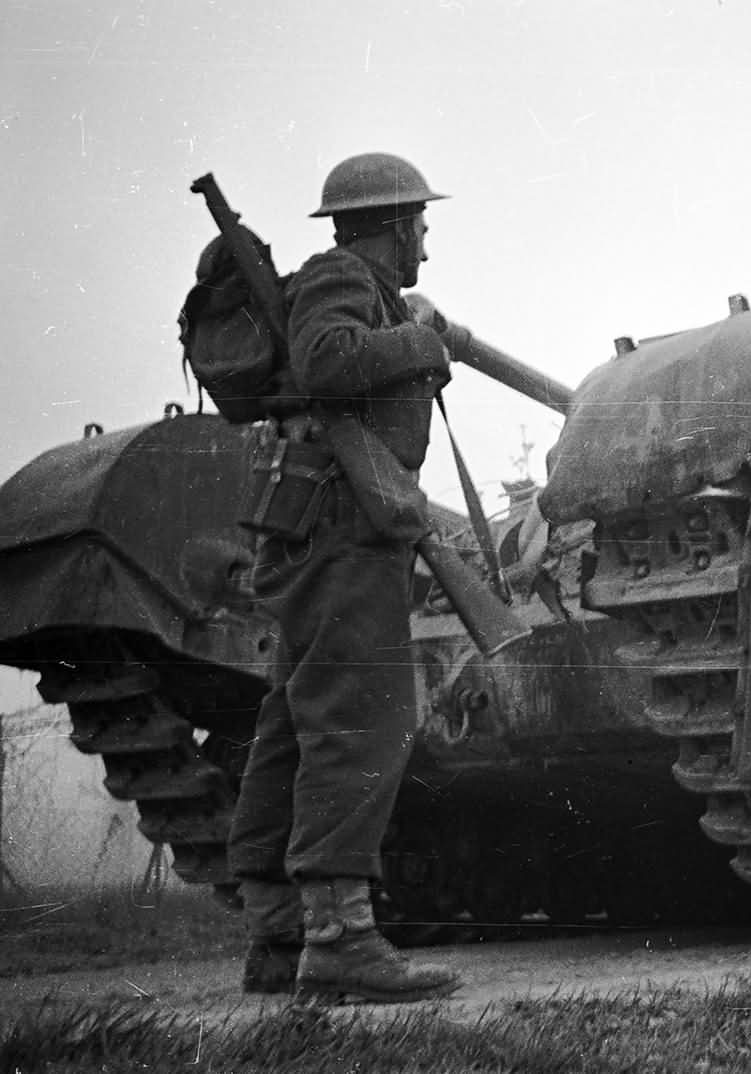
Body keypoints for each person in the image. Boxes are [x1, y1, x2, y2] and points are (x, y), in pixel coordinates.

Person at [225, 152, 461, 1004]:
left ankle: (279, 935)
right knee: (362, 719)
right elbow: (328, 360)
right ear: (394, 225)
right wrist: (423, 340)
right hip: (340, 533)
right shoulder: (340, 273)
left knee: (294, 723)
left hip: (318, 529)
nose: (426, 249)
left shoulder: (348, 283)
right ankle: (339, 942)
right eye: (421, 228)